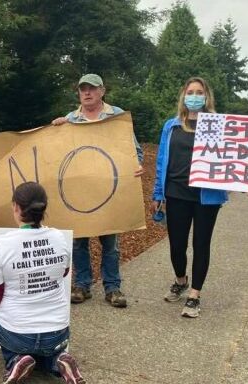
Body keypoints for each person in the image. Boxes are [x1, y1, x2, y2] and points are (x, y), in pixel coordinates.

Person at [151, 77, 248, 318]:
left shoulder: (219, 126)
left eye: (200, 92)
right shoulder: (171, 126)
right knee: (177, 245)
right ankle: (181, 280)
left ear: (207, 97)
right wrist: (158, 192)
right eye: (191, 91)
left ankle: (194, 296)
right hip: (176, 192)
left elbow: (236, 159)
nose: (195, 96)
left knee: (201, 244)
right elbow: (161, 161)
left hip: (206, 196)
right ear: (183, 95)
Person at [50, 73, 143, 308]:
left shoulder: (117, 117)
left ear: (102, 91)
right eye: (83, 89)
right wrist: (56, 131)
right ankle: (82, 285)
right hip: (79, 192)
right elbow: (56, 155)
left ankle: (112, 288)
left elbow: (135, 152)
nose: (87, 93)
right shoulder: (70, 120)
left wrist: (136, 166)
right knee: (79, 241)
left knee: (110, 242)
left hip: (109, 191)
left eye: (91, 88)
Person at [0, 181, 85, 384]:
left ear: (16, 207)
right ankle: (58, 361)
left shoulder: (2, 244)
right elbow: (63, 273)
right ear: (44, 208)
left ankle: (16, 360)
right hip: (57, 331)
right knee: (46, 347)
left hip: (18, 333)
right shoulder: (58, 238)